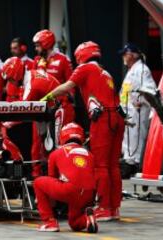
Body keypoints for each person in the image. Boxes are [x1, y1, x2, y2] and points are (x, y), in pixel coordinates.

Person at [41, 41, 125, 221]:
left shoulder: (85, 68)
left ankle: (103, 207)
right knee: (113, 166)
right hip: (117, 117)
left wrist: (47, 96)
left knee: (101, 166)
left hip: (103, 118)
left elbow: (66, 86)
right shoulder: (106, 72)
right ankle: (114, 207)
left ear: (82, 55)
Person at [2, 57, 61, 177]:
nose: (10, 83)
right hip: (46, 112)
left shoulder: (31, 85)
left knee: (57, 147)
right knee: (39, 147)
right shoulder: (30, 77)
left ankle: (58, 178)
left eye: (10, 79)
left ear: (16, 75)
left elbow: (23, 112)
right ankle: (45, 176)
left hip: (60, 109)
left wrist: (5, 123)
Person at [34, 123, 98, 233]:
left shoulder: (56, 153)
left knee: (38, 182)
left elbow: (52, 179)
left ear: (62, 136)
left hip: (70, 190)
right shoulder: (90, 155)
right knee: (74, 224)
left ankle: (50, 222)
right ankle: (87, 219)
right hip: (88, 194)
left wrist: (46, 204)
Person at [119, 43, 157, 178]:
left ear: (132, 55)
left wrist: (140, 102)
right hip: (129, 112)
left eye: (125, 54)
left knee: (136, 139)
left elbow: (150, 90)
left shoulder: (141, 69)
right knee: (129, 139)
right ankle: (129, 163)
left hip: (137, 112)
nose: (123, 57)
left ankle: (133, 165)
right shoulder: (132, 70)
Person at [32, 29, 75, 125]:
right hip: (40, 106)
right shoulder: (36, 60)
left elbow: (71, 83)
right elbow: (33, 82)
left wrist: (68, 101)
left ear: (46, 44)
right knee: (39, 138)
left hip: (59, 105)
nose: (36, 49)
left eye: (38, 46)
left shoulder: (63, 59)